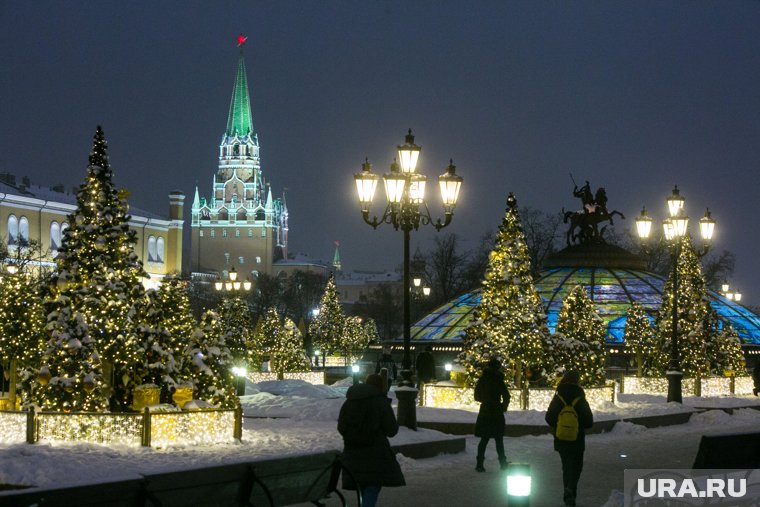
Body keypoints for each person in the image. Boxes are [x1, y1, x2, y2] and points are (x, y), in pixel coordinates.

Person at [337, 373, 406, 507]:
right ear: (380, 386)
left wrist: (353, 436)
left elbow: (341, 426)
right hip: (375, 453)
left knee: (363, 484)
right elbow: (391, 430)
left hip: (352, 452)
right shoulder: (380, 402)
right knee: (372, 485)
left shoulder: (349, 401)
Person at [545, 370, 594, 507]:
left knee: (566, 467)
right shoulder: (580, 398)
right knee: (577, 467)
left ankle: (568, 494)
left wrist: (560, 424)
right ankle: (571, 491)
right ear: (578, 381)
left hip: (561, 439)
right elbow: (589, 422)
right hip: (577, 439)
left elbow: (549, 418)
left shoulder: (558, 397)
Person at [473, 357, 511, 472]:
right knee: (499, 440)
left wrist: (485, 401)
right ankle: (503, 463)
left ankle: (479, 464)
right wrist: (503, 406)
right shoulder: (498, 380)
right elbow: (507, 396)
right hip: (496, 412)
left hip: (485, 411)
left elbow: (476, 396)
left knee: (484, 439)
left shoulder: (483, 379)